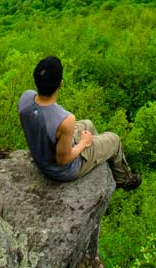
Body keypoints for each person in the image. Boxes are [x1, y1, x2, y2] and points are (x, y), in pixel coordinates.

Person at [18, 56, 141, 189]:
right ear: (60, 84)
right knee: (115, 140)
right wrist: (84, 143)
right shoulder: (65, 120)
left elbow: (40, 124)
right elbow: (63, 160)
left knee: (87, 124)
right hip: (62, 170)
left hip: (41, 157)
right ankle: (124, 180)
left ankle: (97, 154)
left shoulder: (26, 98)